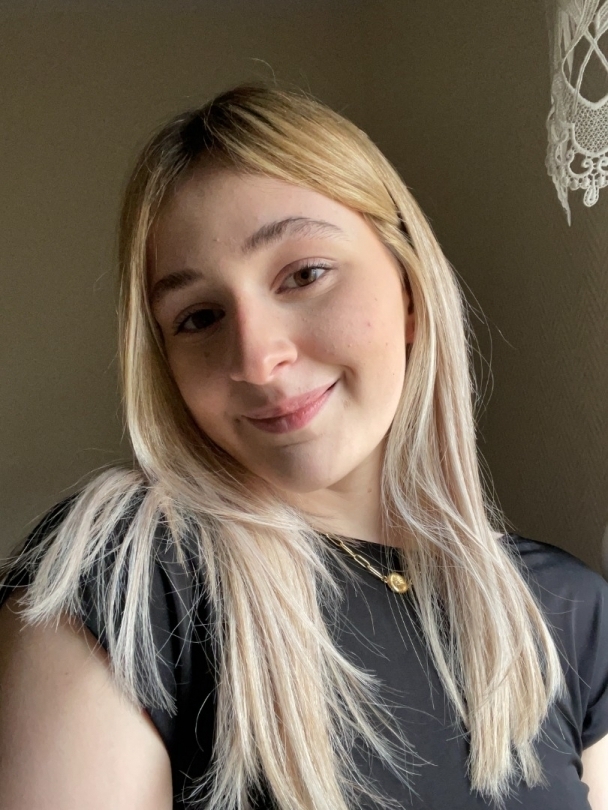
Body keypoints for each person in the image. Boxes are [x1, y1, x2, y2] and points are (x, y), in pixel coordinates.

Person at [0, 82, 606, 810]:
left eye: (304, 275)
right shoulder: (127, 578)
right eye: (199, 317)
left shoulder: (567, 609)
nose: (257, 361)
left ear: (409, 289)